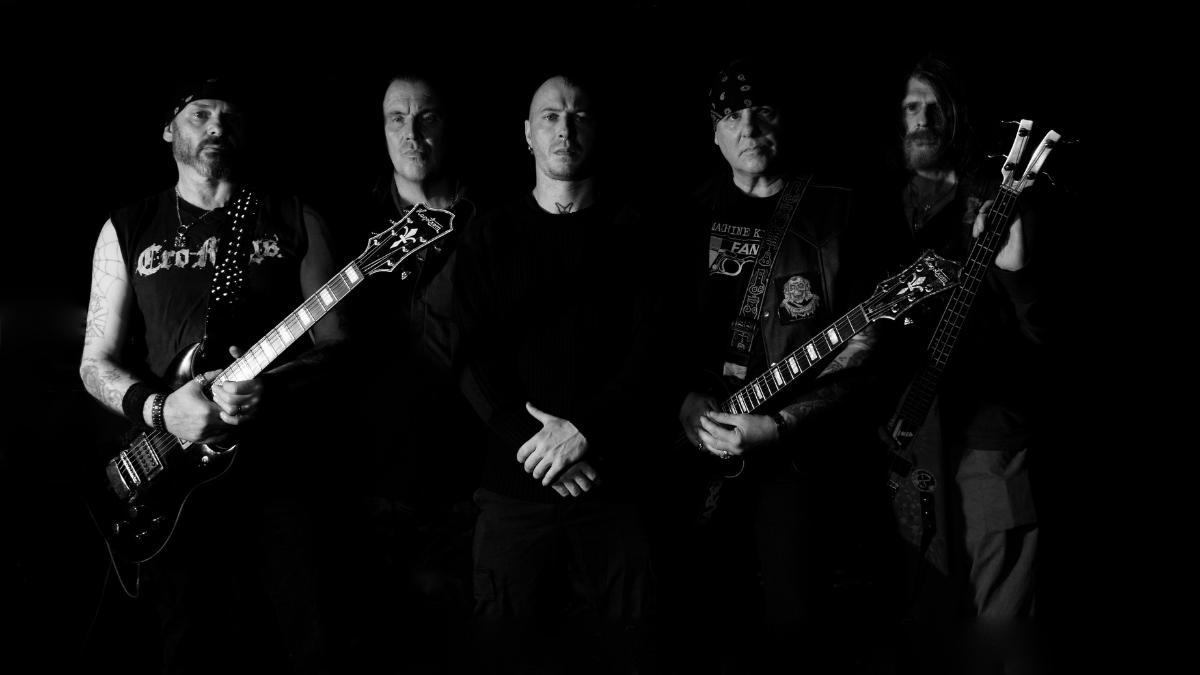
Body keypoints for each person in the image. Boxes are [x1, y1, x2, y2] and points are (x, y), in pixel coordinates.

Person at [79, 76, 346, 674]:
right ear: (168, 129)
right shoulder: (127, 226)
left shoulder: (295, 215)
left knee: (311, 639)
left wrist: (270, 388)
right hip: (172, 479)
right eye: (200, 113)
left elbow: (339, 347)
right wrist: (161, 410)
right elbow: (94, 363)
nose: (218, 126)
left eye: (231, 116)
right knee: (188, 647)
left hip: (282, 474)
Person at [454, 73, 672, 674]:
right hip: (514, 485)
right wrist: (539, 447)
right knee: (503, 653)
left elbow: (655, 353)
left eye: (579, 116)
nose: (565, 129)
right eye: (550, 116)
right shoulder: (489, 235)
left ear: (598, 131)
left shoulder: (638, 232)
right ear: (527, 133)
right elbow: (472, 361)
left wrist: (584, 433)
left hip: (615, 482)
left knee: (637, 650)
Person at [671, 60, 881, 671]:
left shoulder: (839, 211)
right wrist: (683, 398)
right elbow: (659, 332)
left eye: (762, 111)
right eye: (732, 116)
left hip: (795, 455)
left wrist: (782, 425)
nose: (749, 127)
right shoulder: (687, 213)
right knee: (702, 622)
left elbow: (867, 349)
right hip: (695, 448)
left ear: (784, 120)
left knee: (795, 627)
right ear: (714, 133)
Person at [878, 56, 1046, 672]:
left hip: (987, 437)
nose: (922, 120)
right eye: (910, 108)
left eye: (935, 107)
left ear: (957, 117)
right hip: (906, 437)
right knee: (921, 617)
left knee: (998, 624)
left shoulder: (994, 202)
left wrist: (1019, 273)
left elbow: (1048, 332)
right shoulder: (881, 209)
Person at [338, 72, 488, 668]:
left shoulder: (493, 219)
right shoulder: (349, 225)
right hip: (374, 478)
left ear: (449, 126)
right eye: (396, 119)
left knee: (469, 647)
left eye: (427, 117)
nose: (412, 133)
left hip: (473, 476)